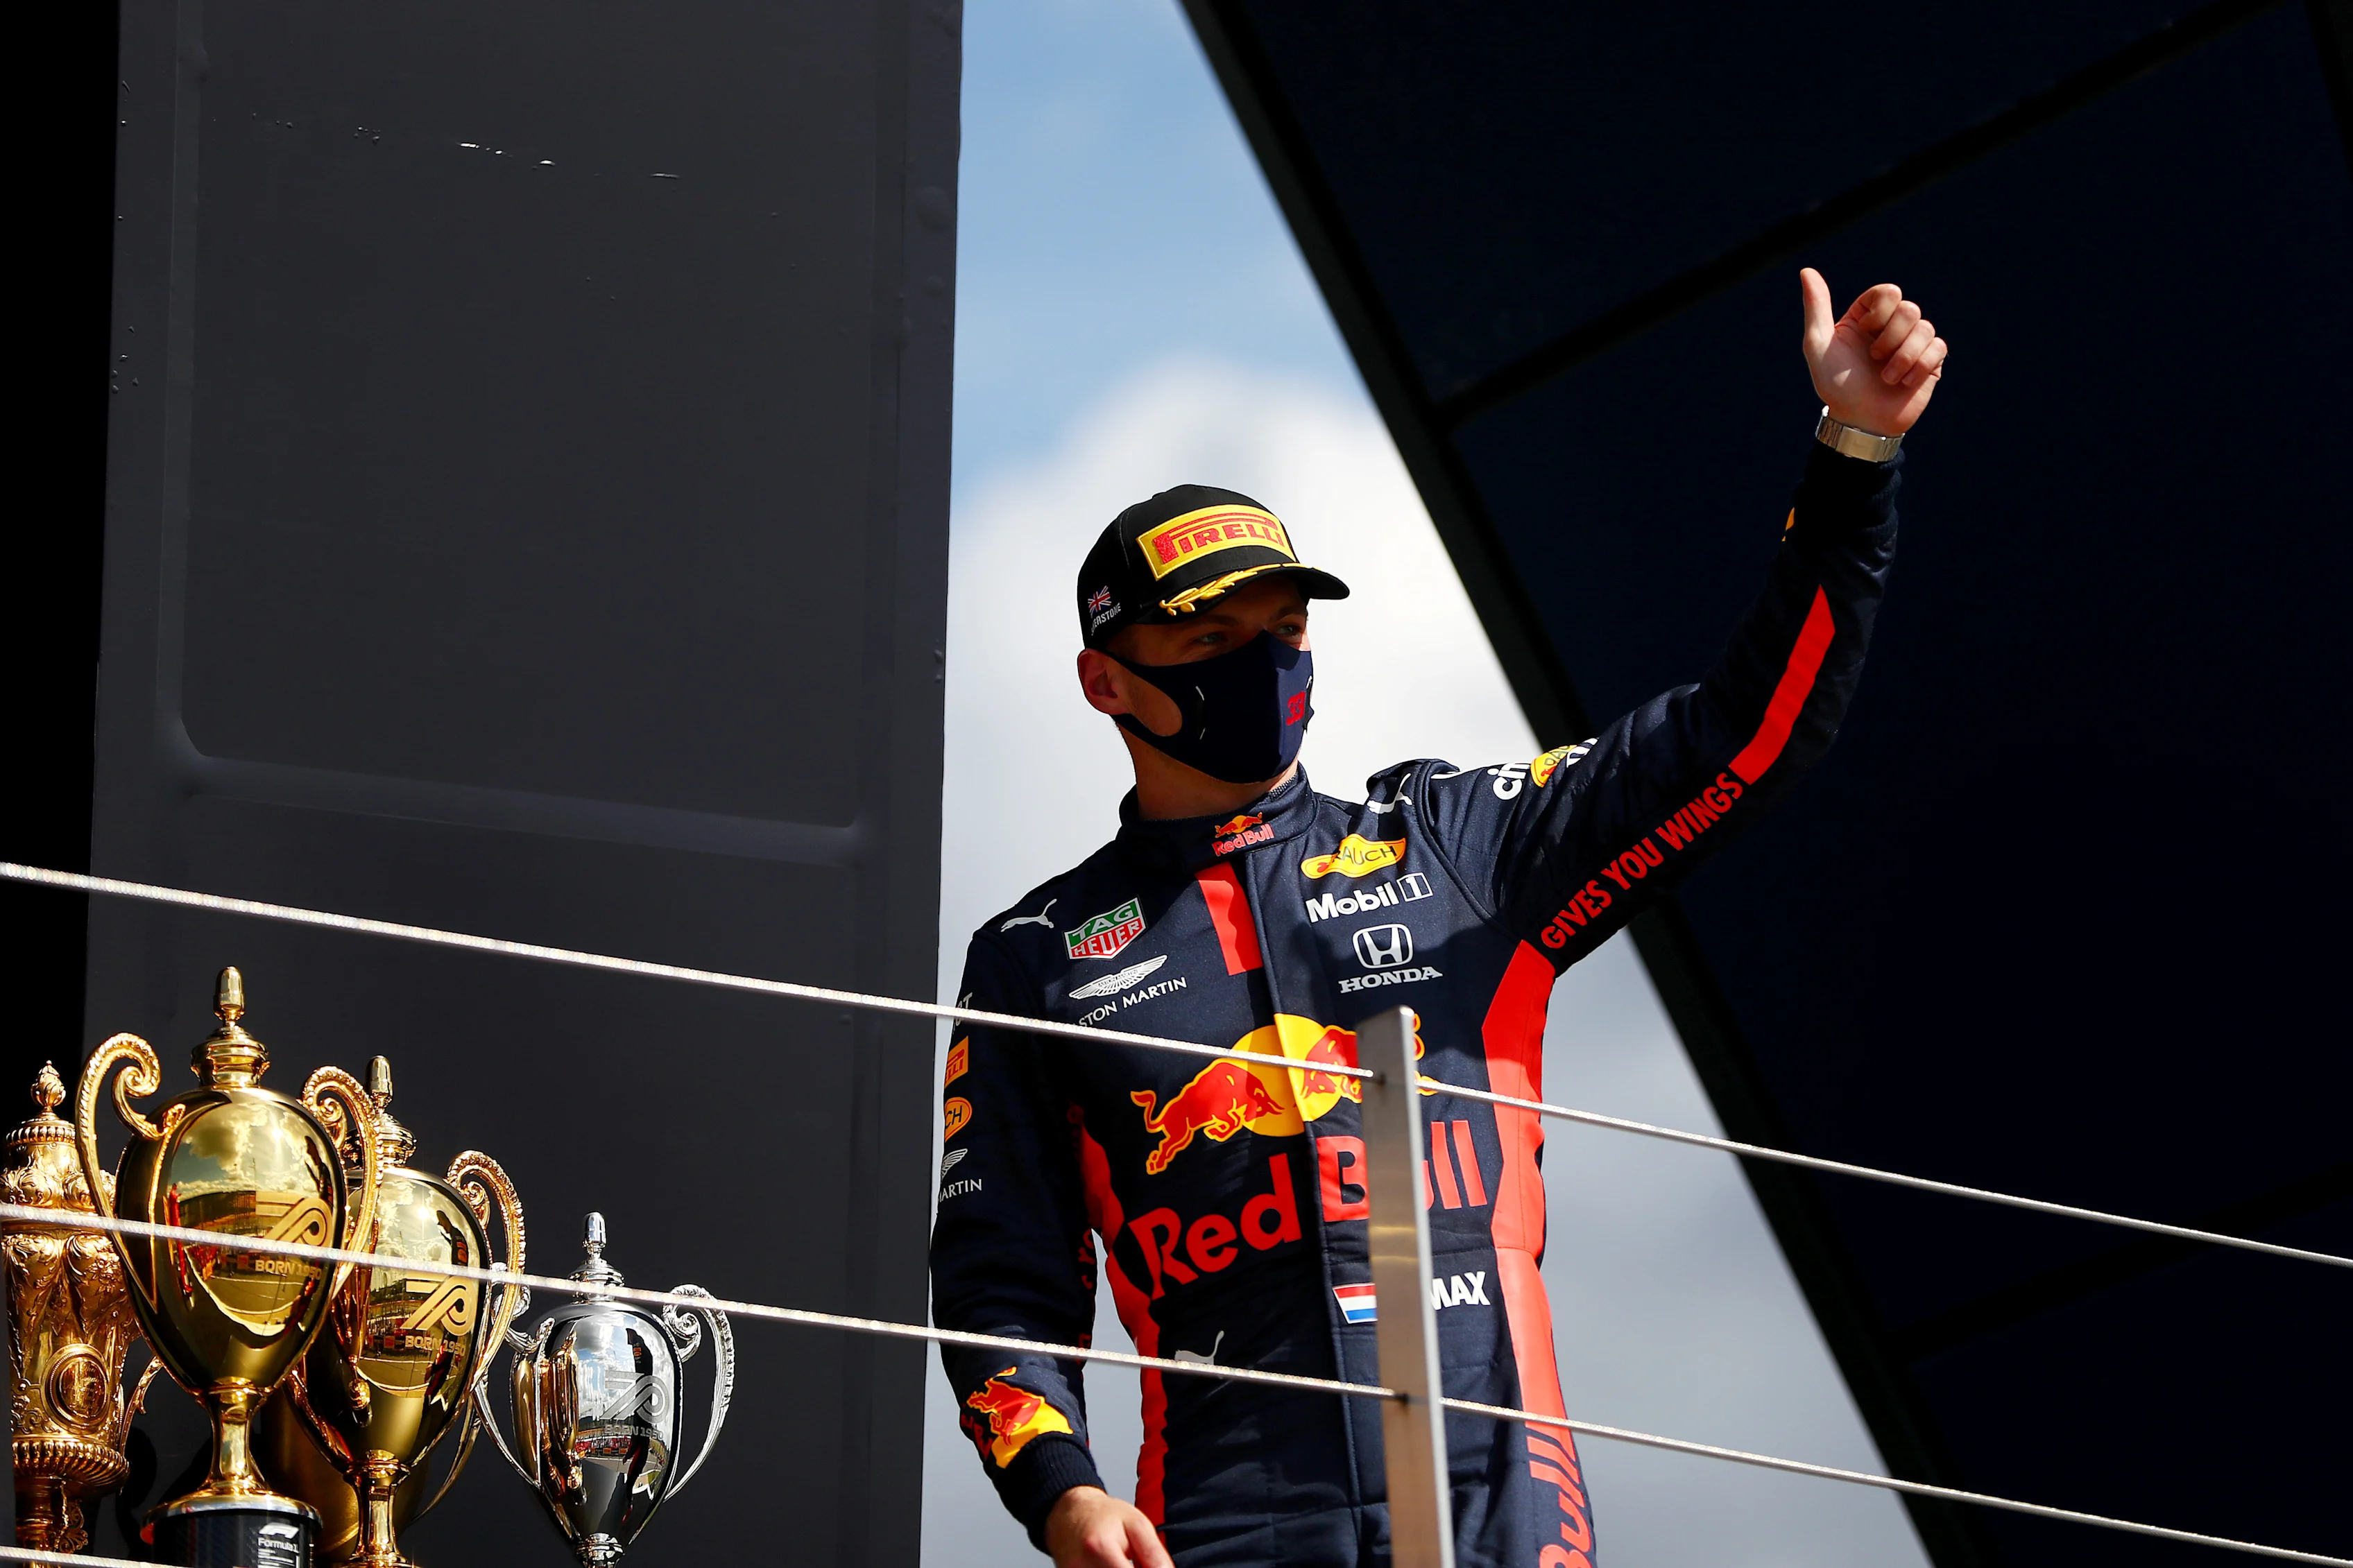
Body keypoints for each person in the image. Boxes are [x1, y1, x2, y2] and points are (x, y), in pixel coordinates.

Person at [931, 269, 1944, 1568]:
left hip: (1502, 1499)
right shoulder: (1037, 955)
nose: (1266, 663)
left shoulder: (1458, 842)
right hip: (1228, 1518)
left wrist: (1856, 454)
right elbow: (998, 1278)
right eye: (1213, 641)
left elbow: (1744, 736)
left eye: (1285, 630)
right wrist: (1059, 1491)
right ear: (1104, 679)